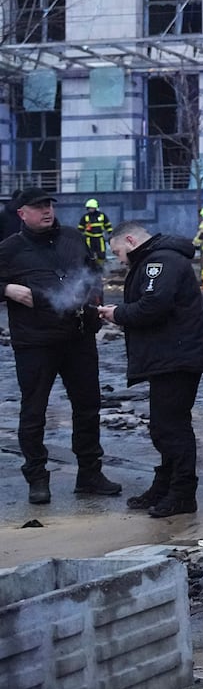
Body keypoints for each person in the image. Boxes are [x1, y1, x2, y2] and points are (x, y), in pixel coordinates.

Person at [0, 187, 121, 505]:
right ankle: (37, 477)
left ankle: (90, 474)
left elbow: (93, 275)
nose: (46, 211)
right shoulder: (10, 249)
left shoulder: (72, 237)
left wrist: (95, 314)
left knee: (88, 407)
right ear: (21, 213)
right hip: (35, 343)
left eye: (49, 205)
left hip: (78, 338)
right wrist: (7, 289)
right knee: (33, 412)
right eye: (38, 207)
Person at [99, 221, 203, 518]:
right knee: (163, 427)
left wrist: (117, 314)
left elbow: (153, 305)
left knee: (172, 428)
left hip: (176, 357)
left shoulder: (160, 262)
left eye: (118, 252)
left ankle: (182, 493)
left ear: (129, 240)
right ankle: (165, 485)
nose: (119, 259)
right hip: (170, 356)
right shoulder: (159, 258)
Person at [79, 198, 112, 265]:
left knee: (101, 254)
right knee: (89, 254)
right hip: (89, 239)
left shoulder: (102, 216)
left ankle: (100, 268)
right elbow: (80, 228)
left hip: (99, 238)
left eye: (92, 208)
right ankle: (91, 269)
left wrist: (111, 233)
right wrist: (79, 236)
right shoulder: (85, 217)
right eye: (89, 208)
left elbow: (108, 225)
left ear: (95, 207)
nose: (90, 209)